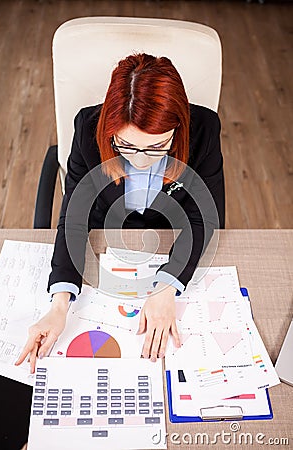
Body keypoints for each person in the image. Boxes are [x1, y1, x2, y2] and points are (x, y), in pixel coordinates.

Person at [16, 52, 225, 373]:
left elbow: (205, 217)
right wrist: (59, 305)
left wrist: (168, 286)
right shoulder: (87, 127)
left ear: (177, 129)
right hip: (105, 228)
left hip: (170, 231)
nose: (141, 159)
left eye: (157, 147)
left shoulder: (204, 129)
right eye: (126, 146)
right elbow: (74, 215)